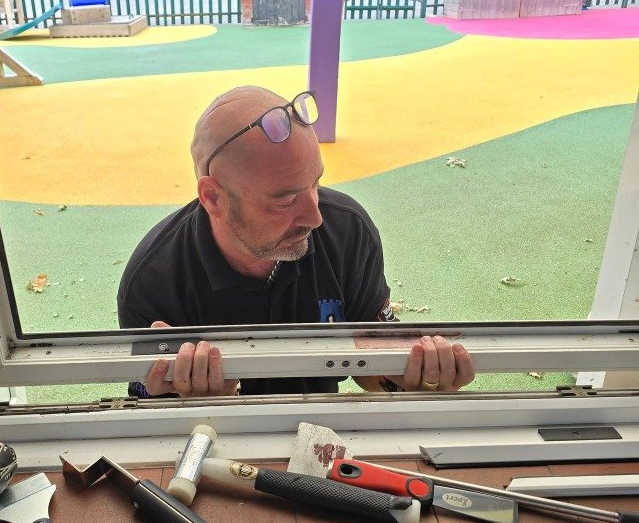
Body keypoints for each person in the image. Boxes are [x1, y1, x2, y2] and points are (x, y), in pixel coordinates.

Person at [117, 85, 475, 398]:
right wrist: (190, 395)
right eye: (285, 200)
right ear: (213, 198)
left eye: (315, 184)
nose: (315, 217)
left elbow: (369, 364)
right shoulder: (152, 282)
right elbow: (146, 401)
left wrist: (413, 375)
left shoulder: (347, 230)